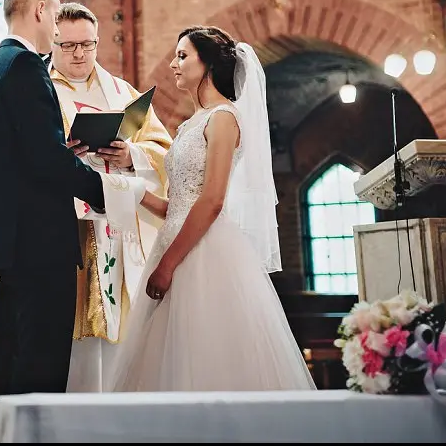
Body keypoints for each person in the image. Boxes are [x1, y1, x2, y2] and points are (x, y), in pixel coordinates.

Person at [0, 0, 148, 442]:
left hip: (8, 240)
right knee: (40, 364)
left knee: (6, 357)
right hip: (40, 244)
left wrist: (56, 152)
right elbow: (46, 164)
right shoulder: (27, 67)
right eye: (54, 17)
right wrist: (109, 193)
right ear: (41, 12)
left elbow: (20, 155)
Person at [110, 26, 316, 393]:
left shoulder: (224, 118)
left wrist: (168, 264)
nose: (173, 64)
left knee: (206, 355)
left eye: (183, 55)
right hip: (177, 239)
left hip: (203, 253)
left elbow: (212, 199)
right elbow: (178, 206)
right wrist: (129, 186)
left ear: (207, 64)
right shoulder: (191, 122)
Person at [47, 3, 172, 393]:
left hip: (117, 226)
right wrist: (62, 154)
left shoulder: (122, 93)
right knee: (68, 330)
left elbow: (164, 149)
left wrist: (129, 154)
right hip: (66, 225)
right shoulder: (39, 91)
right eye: (67, 46)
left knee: (120, 328)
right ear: (52, 42)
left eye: (87, 44)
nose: (79, 54)